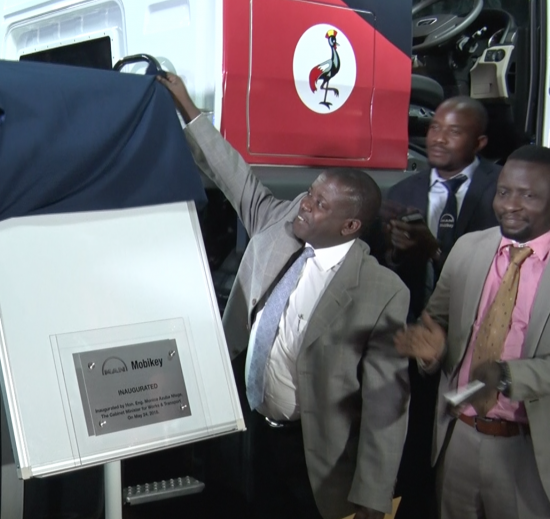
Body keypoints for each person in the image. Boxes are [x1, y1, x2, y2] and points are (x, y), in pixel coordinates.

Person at [159, 73, 410, 519]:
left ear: (350, 226)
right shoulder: (279, 222)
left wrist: (373, 494)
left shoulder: (381, 292)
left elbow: (385, 403)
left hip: (312, 456)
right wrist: (187, 107)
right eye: (310, 194)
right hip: (249, 430)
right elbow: (232, 173)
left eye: (320, 204)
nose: (305, 205)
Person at [395, 144, 550, 519]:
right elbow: (437, 324)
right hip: (458, 437)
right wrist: (431, 352)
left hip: (532, 450)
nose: (509, 205)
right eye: (503, 191)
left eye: (528, 196)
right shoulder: (469, 248)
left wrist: (509, 375)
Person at [379, 95, 499, 519]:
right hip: (414, 341)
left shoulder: (503, 191)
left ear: (479, 142)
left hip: (474, 343)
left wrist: (434, 251)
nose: (439, 138)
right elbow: (386, 268)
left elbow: (495, 269)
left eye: (454, 131)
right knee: (413, 446)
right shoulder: (404, 191)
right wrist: (398, 252)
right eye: (434, 128)